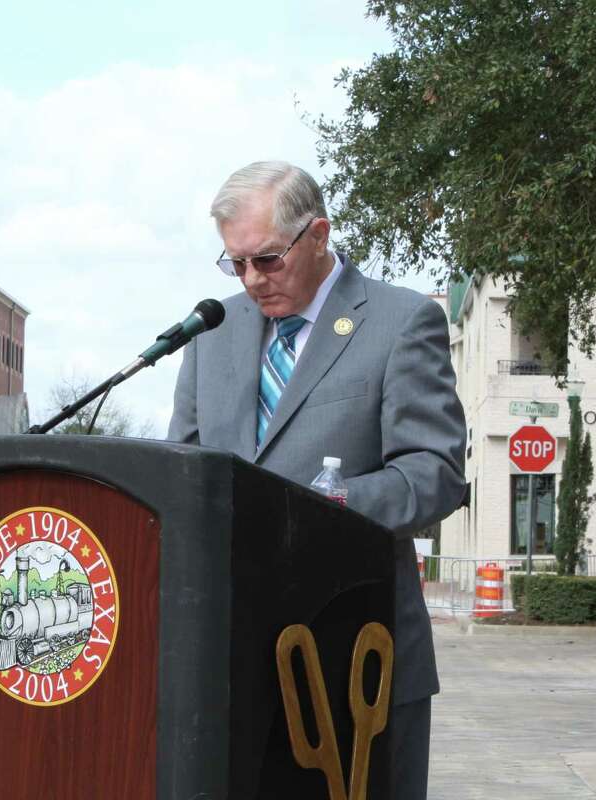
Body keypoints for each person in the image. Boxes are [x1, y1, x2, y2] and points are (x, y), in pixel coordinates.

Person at [168, 160, 466, 800]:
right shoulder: (210, 336)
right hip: (228, 664)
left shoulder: (402, 321)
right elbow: (183, 477)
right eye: (235, 263)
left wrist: (327, 505)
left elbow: (434, 472)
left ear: (320, 234)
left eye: (267, 260)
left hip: (357, 664)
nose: (251, 280)